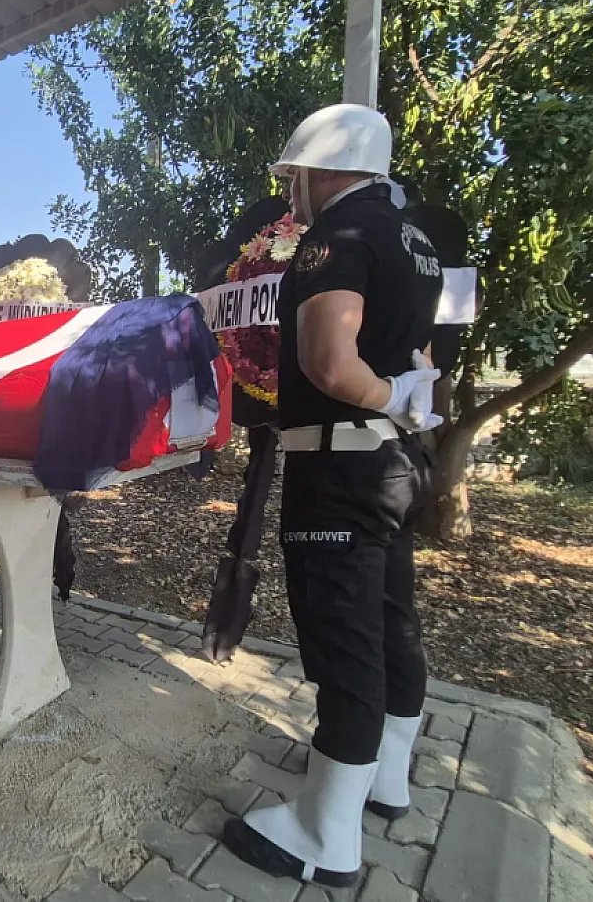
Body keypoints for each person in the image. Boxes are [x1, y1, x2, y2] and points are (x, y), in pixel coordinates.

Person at [221, 104, 444, 888]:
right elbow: (417, 352)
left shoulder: (336, 238)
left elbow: (326, 360)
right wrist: (406, 401)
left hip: (342, 467)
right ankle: (384, 777)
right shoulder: (415, 241)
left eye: (294, 177)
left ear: (326, 166)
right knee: (392, 623)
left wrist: (381, 395)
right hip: (395, 467)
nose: (290, 195)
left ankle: (324, 832)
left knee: (345, 643)